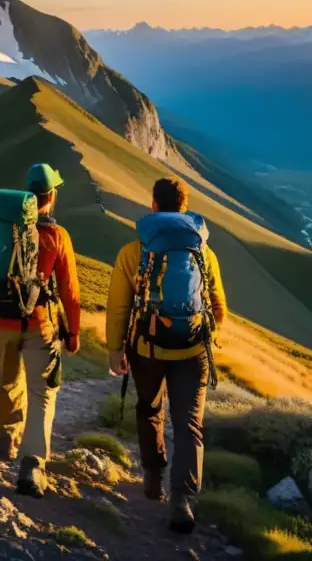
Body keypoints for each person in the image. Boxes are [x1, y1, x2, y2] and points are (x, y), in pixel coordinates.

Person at [106, 177, 227, 533]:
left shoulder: (133, 251)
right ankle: (182, 500)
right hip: (193, 352)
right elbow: (218, 305)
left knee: (149, 408)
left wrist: (116, 350)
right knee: (189, 424)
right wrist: (207, 335)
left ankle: (153, 476)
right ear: (185, 209)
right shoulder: (203, 252)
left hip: (147, 349)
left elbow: (118, 306)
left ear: (154, 206)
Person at [0, 163, 81, 497]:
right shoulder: (56, 235)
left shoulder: (7, 227)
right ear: (52, 196)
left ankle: (7, 437)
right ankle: (31, 465)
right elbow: (70, 292)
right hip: (39, 323)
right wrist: (73, 333)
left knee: (9, 377)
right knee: (42, 392)